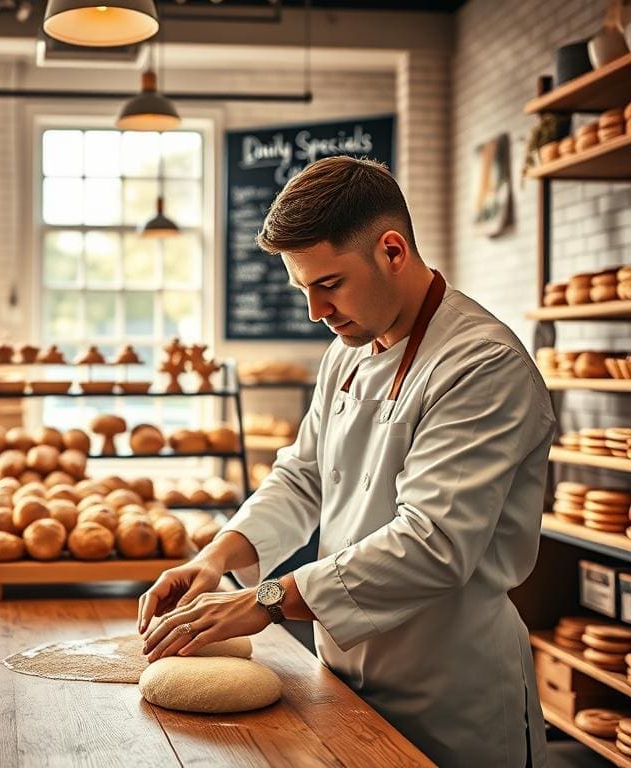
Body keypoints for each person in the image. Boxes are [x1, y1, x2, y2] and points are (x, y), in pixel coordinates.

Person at [137, 156, 554, 767]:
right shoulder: (349, 350)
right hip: (340, 681)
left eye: (328, 284)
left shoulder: (481, 365)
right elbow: (304, 475)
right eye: (302, 289)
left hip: (449, 698)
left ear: (392, 251)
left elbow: (434, 543)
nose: (315, 311)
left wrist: (267, 599)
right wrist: (217, 557)